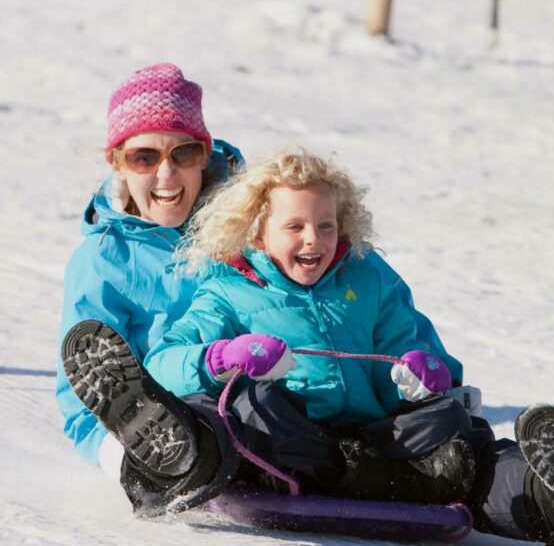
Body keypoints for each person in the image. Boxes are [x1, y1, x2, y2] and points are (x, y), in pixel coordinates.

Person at [130, 148, 554, 546]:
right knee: (236, 409)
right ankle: (170, 460)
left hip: (382, 449)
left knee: (460, 436)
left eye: (326, 225)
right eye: (295, 227)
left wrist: (428, 371)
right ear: (258, 231)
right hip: (290, 449)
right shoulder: (226, 290)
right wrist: (220, 357)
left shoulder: (369, 279)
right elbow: (162, 363)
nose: (314, 239)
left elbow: (420, 349)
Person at [56, 63, 464, 516]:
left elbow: (370, 309)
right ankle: (169, 462)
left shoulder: (260, 222)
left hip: (279, 401)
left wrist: (432, 373)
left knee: (261, 411)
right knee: (203, 422)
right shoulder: (103, 261)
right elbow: (83, 390)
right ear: (116, 162)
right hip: (175, 412)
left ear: (205, 154)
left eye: (184, 153)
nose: (167, 173)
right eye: (144, 157)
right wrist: (121, 460)